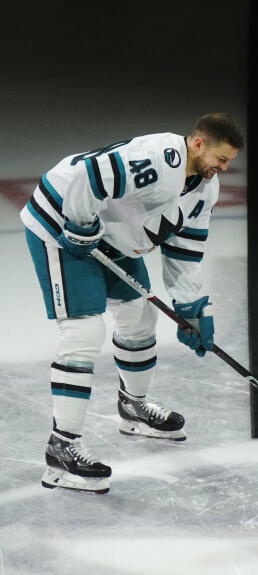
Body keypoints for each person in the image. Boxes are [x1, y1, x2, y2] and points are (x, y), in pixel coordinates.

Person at [21, 113, 244, 494]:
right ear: (198, 144)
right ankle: (61, 448)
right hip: (62, 226)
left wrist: (191, 308)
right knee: (84, 329)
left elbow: (185, 251)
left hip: (112, 236)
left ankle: (133, 406)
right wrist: (78, 225)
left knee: (140, 316)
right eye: (220, 159)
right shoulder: (160, 158)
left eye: (229, 163)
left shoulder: (205, 187)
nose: (223, 169)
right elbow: (90, 175)